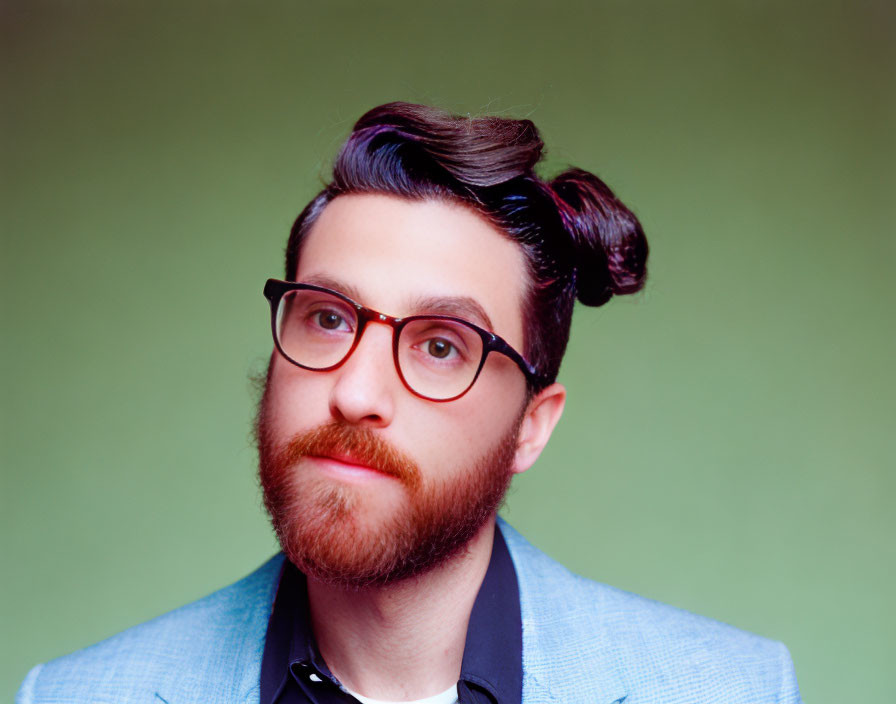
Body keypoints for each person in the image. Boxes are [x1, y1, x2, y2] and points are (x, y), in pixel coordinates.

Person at [17, 102, 801, 704]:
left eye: (440, 345)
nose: (356, 393)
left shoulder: (731, 688)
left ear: (532, 426)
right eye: (327, 319)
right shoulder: (71, 695)